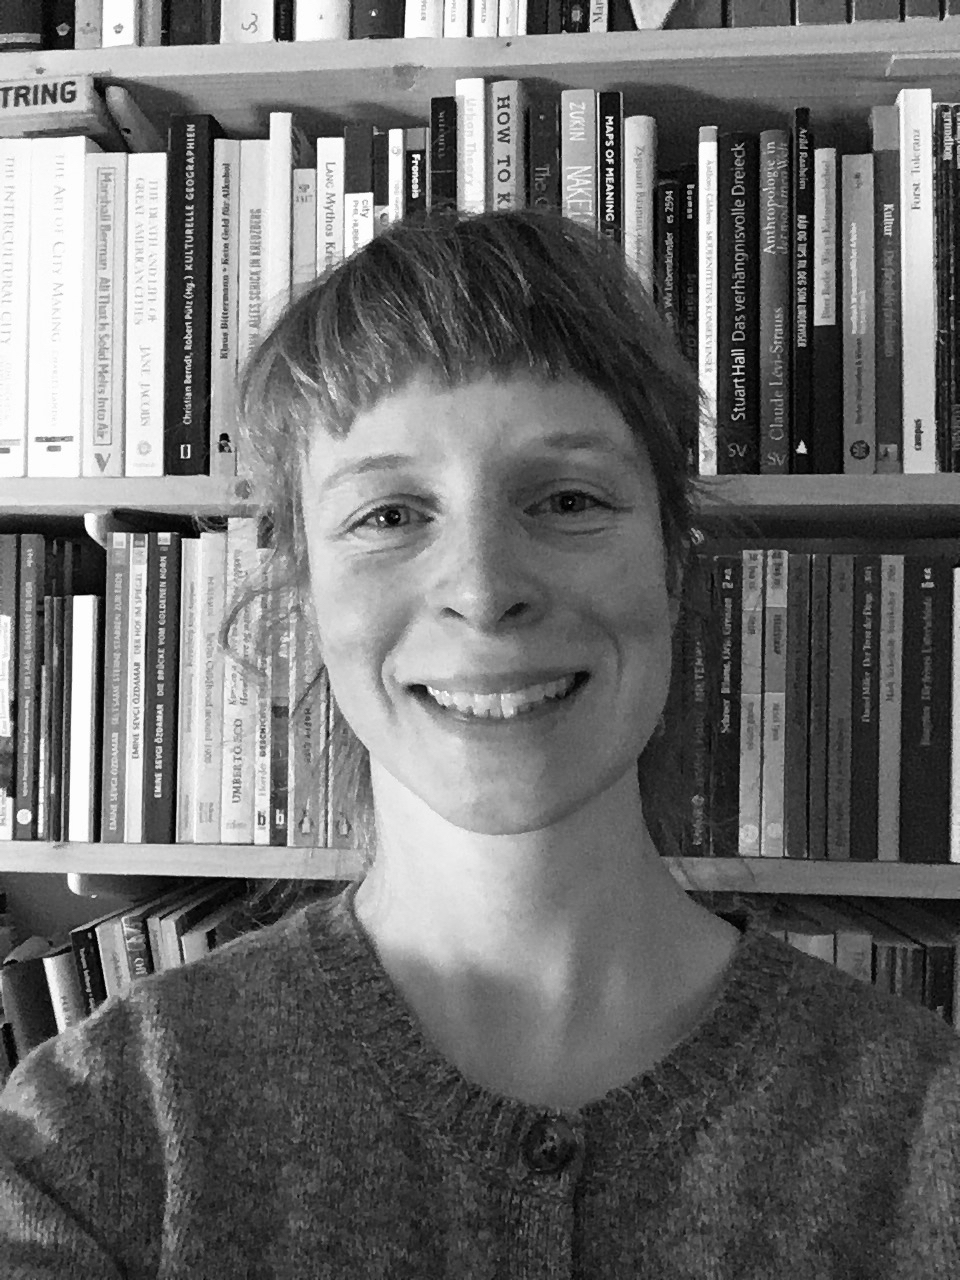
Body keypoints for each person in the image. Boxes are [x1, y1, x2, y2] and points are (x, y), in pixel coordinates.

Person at [2, 207, 960, 1278]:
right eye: (389, 515)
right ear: (304, 599)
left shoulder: (929, 1134)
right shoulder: (93, 1143)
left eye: (567, 498)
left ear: (673, 566)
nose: (484, 587)